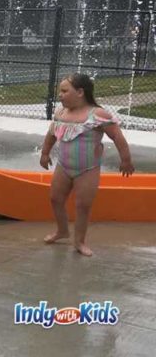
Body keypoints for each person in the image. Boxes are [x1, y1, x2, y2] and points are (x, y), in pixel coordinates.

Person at [40, 73, 133, 256]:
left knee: (83, 205)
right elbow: (51, 134)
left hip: (87, 169)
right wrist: (44, 153)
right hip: (63, 166)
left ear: (80, 92)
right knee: (55, 199)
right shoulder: (61, 113)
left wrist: (126, 159)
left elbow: (117, 136)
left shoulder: (97, 114)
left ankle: (79, 241)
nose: (60, 95)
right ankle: (62, 230)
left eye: (65, 91)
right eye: (60, 91)